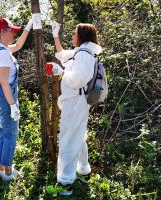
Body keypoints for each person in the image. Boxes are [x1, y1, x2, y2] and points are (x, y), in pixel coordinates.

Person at [50, 22, 103, 196]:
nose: (72, 36)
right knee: (78, 137)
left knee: (67, 141)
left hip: (75, 102)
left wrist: (61, 72)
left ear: (82, 36)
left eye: (74, 33)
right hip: (77, 102)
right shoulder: (81, 52)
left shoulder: (84, 55)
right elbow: (63, 55)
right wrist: (55, 35)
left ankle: (65, 183)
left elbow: (80, 78)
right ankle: (84, 172)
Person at [0, 18, 33, 181]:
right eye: (11, 30)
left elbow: (19, 45)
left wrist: (28, 27)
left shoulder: (0, 49)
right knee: (11, 134)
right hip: (5, 99)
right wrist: (12, 106)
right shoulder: (3, 54)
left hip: (0, 99)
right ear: (2, 32)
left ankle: (1, 168)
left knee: (3, 132)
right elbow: (4, 82)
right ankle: (8, 172)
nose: (14, 33)